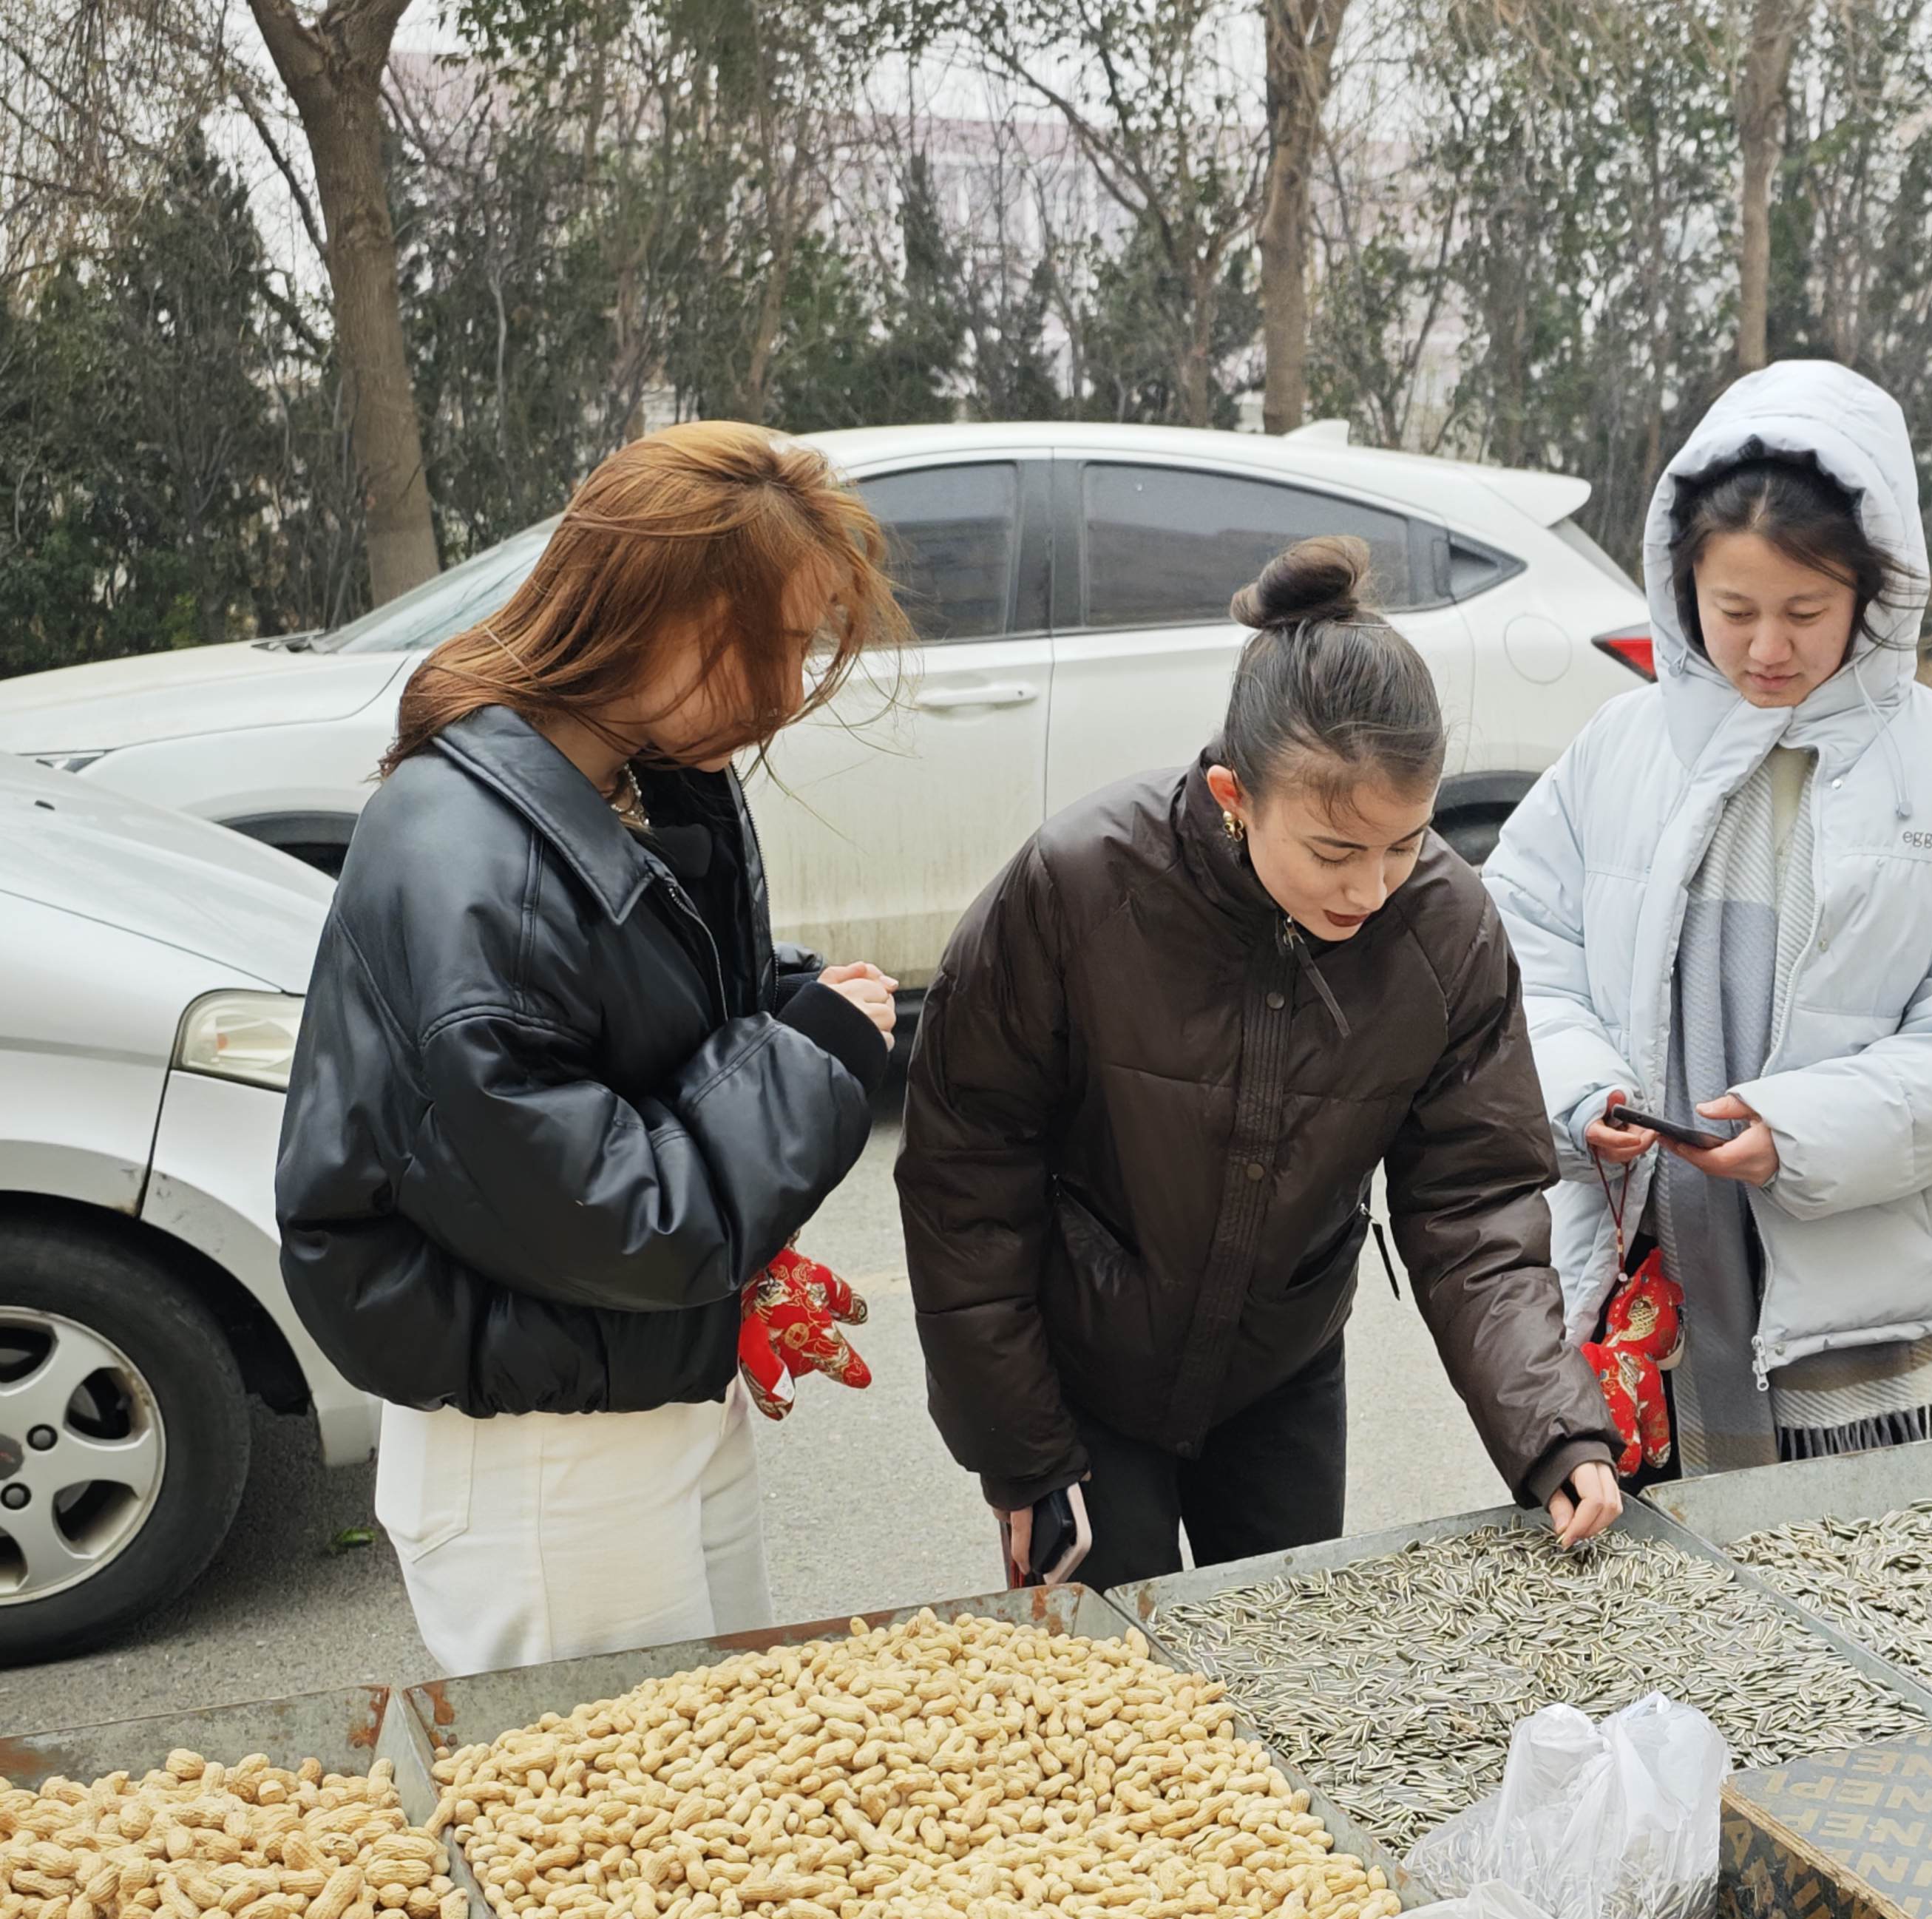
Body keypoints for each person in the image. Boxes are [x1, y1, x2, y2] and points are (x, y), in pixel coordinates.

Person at [275, 422, 904, 1673]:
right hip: (545, 1458)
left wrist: (790, 1006)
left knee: (701, 1782)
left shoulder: (623, 772)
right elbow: (622, 1214)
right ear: (651, 612)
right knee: (612, 1824)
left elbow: (644, 1020)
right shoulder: (481, 863)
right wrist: (811, 1057)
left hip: (629, 1380)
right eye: (769, 641)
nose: (788, 685)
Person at [898, 538, 1620, 1591]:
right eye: (1334, 852)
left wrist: (1555, 1431)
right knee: (1123, 1713)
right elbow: (966, 1183)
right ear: (1237, 794)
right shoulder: (1078, 886)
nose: (1372, 888)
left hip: (1281, 1369)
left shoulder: (1447, 930)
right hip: (1087, 1378)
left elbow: (1477, 1208)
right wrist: (1020, 1455)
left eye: (1404, 843)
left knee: (1291, 1676)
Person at [1485, 360, 1932, 1475]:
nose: (1768, 648)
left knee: (1853, 1586)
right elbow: (1521, 952)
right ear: (1682, 588)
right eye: (1735, 610)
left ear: (1875, 592)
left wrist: (1802, 1134)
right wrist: (1578, 1094)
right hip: (1644, 1271)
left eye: (1805, 611)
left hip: (1851, 1294)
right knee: (1658, 1603)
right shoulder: (1620, 748)